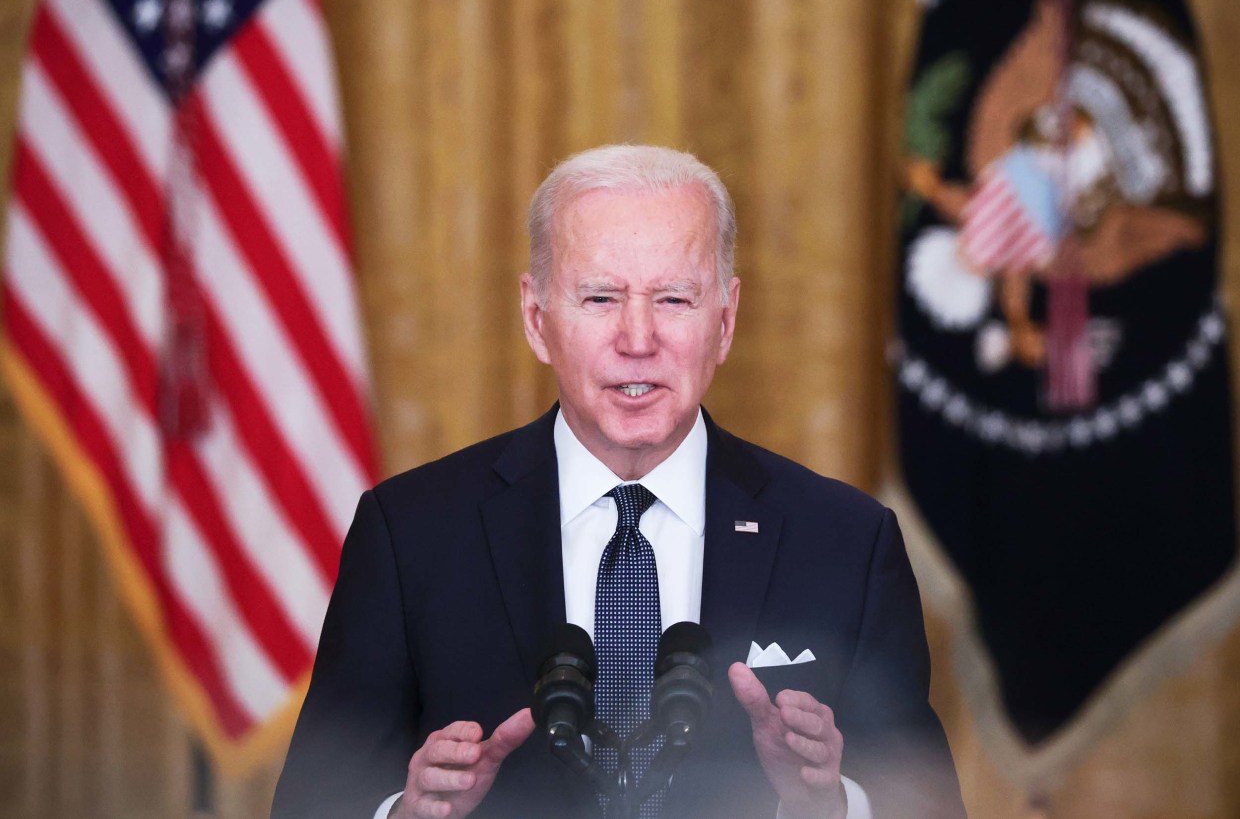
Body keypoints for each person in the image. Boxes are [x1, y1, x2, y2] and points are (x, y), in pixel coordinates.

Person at [271, 145, 965, 819]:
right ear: (537, 319)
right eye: (601, 297)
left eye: (673, 298)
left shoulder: (845, 542)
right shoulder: (412, 534)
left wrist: (833, 804)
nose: (638, 337)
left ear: (724, 322)